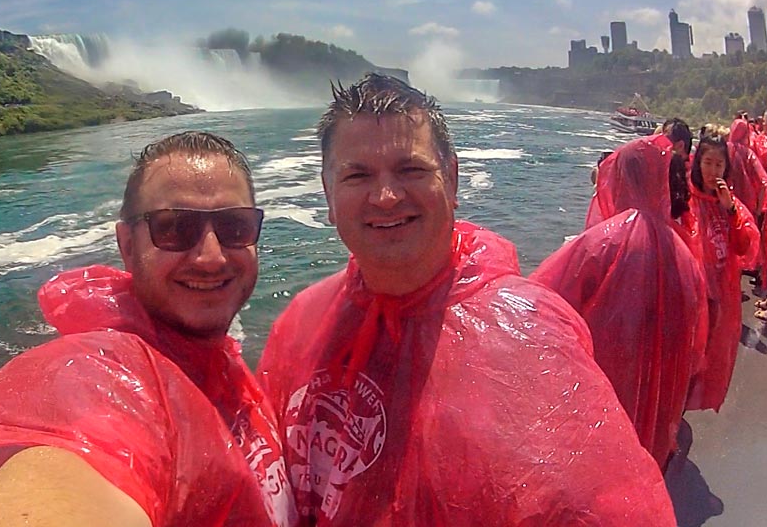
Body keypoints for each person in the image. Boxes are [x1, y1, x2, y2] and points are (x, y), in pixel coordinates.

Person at [257, 74, 676, 525]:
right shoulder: (301, 322)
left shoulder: (532, 331)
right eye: (357, 175)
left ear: (451, 178)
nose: (385, 197)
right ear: (327, 195)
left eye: (411, 170)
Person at [0, 132, 296, 527]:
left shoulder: (221, 365)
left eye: (234, 226)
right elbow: (65, 461)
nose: (211, 255)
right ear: (127, 245)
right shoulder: (104, 374)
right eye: (175, 228)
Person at [531, 134, 708, 470]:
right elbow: (697, 338)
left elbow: (541, 301)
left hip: (606, 381)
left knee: (600, 466)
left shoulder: (602, 240)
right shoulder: (683, 251)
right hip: (663, 396)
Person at [686, 126, 759, 412]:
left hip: (719, 296)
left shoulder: (731, 205)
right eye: (708, 162)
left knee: (708, 354)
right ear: (697, 162)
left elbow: (745, 246)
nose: (713, 170)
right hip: (692, 294)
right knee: (687, 353)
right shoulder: (684, 199)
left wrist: (730, 211)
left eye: (719, 164)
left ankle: (684, 408)